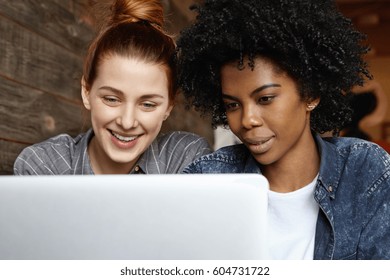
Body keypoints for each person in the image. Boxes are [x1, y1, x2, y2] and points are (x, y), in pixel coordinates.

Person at [176, 0, 390, 259]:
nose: (247, 120)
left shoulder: (363, 171)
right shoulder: (209, 179)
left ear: (310, 94)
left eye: (265, 98)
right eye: (232, 105)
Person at [13, 0, 211, 175]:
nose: (126, 122)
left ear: (168, 106)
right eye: (111, 99)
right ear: (86, 91)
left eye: (148, 104)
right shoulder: (43, 166)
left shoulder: (186, 158)